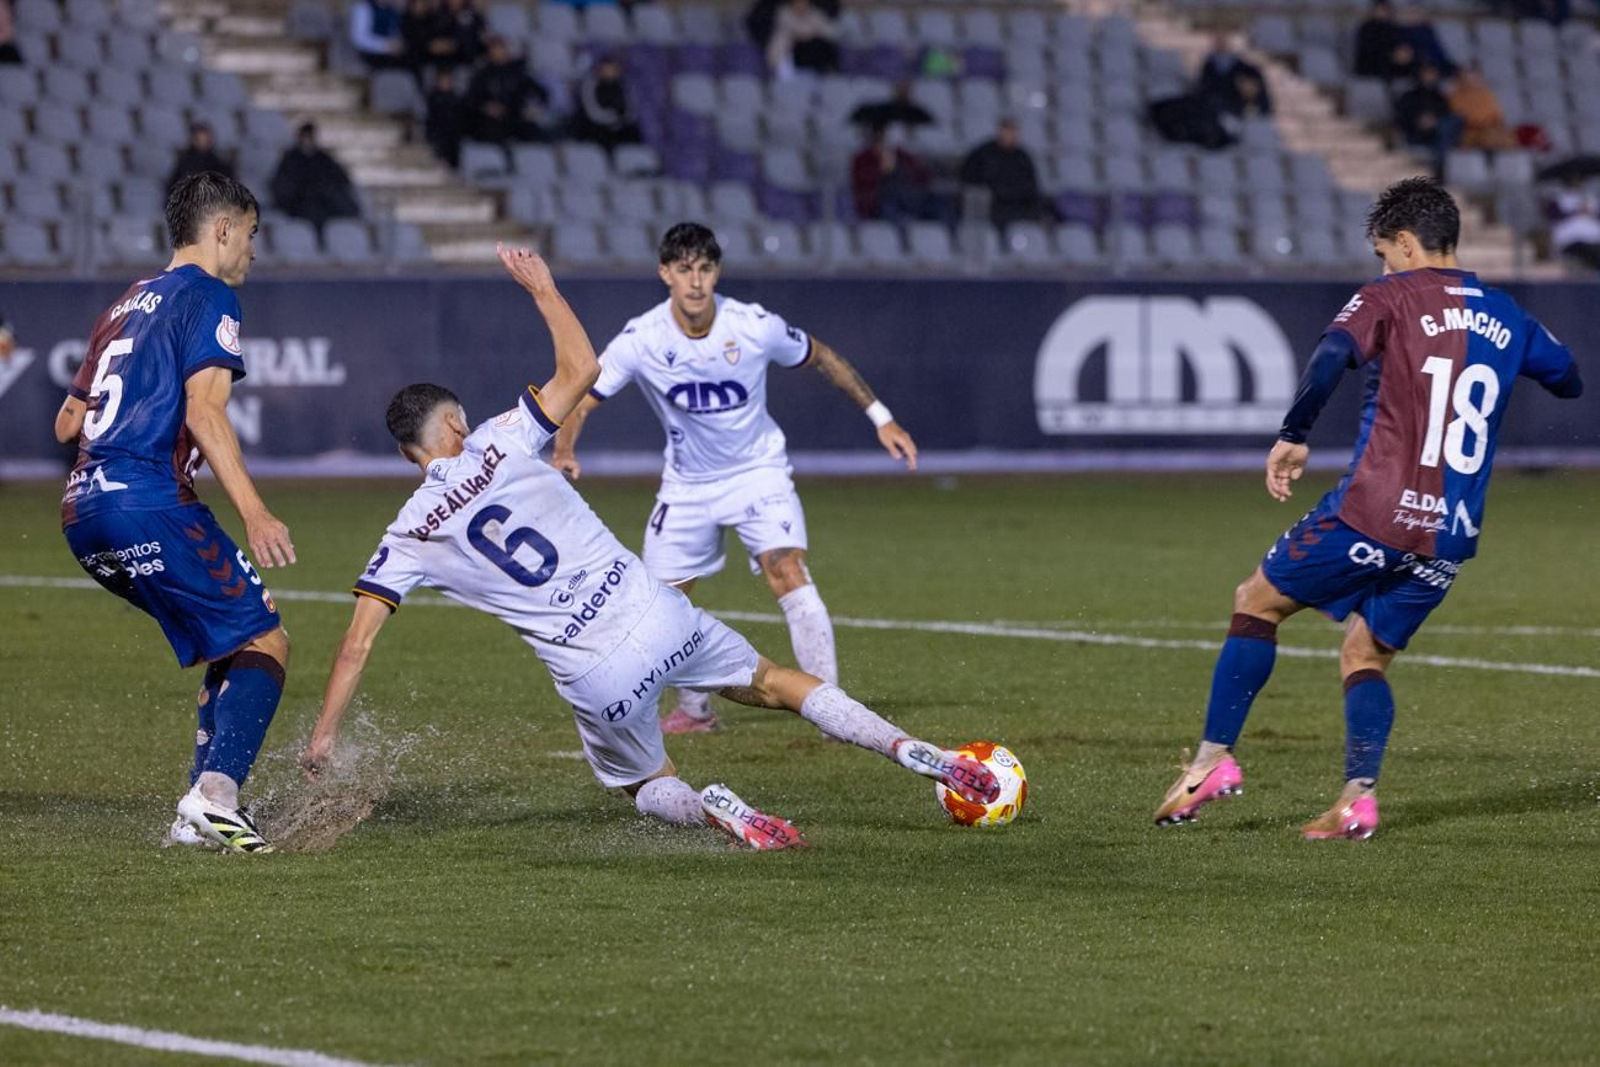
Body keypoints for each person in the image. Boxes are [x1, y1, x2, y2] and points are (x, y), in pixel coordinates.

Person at [298, 245, 996, 849]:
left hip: (594, 673)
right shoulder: (501, 437)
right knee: (775, 682)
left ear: (405, 453)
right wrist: (543, 288)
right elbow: (578, 368)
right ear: (455, 421)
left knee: (643, 781)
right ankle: (911, 749)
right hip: (657, 611)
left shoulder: (407, 533)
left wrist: (325, 736)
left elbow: (356, 644)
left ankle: (710, 807)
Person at [1153, 177, 1584, 841]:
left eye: (1386, 253)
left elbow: (1331, 354)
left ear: (1407, 245)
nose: (1382, 266)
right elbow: (1569, 376)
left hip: (1373, 512)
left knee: (1257, 601)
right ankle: (1357, 797)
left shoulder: (1389, 297)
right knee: (1364, 654)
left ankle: (1211, 761)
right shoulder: (1508, 313)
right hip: (1451, 533)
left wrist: (1294, 433)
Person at [551, 223, 918, 735]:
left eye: (705, 269)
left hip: (758, 473)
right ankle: (696, 712)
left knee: (786, 570)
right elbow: (583, 396)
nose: (696, 282)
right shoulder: (643, 339)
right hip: (687, 487)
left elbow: (822, 356)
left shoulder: (753, 325)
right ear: (665, 274)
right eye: (684, 270)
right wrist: (563, 450)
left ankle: (832, 709)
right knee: (663, 603)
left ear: (716, 272)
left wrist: (882, 418)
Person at [52, 173, 297, 854]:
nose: (253, 249)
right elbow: (204, 410)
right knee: (265, 638)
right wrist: (255, 511)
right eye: (250, 233)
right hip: (148, 502)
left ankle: (197, 816)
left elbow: (67, 422)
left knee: (230, 636)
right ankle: (217, 795)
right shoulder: (209, 295)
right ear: (221, 229)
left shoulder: (123, 304)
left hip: (82, 513)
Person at [269, 122, 361, 238]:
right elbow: (281, 184)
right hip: (299, 202)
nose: (308, 140)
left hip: (324, 200)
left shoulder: (322, 158)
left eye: (310, 137)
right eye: (305, 136)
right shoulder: (291, 158)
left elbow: (341, 178)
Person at [850, 124, 951, 226]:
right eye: (878, 136)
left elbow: (921, 173)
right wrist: (881, 170)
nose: (881, 140)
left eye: (884, 136)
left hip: (909, 198)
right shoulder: (862, 158)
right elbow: (860, 181)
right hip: (879, 203)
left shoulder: (899, 154)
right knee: (891, 209)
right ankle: (904, 237)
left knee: (939, 202)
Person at [960, 118, 1050, 231]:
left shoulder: (1022, 157)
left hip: (1017, 203)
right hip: (992, 203)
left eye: (1012, 132)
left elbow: (1031, 184)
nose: (1009, 135)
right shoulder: (983, 153)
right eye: (1006, 131)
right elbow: (969, 176)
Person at [464, 36, 553, 145]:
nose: (499, 53)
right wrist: (486, 107)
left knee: (538, 134)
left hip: (517, 118)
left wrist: (534, 108)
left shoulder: (517, 72)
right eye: (495, 49)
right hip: (492, 121)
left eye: (501, 49)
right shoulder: (483, 74)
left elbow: (541, 92)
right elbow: (471, 99)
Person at [1393, 66, 1460, 180]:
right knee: (1443, 133)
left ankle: (1438, 168)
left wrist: (1435, 122)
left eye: (1432, 74)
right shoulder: (1408, 97)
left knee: (1453, 122)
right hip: (1415, 134)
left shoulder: (1440, 97)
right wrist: (1418, 123)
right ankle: (1438, 170)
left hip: (1437, 134)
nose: (1429, 77)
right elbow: (1399, 119)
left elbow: (1446, 115)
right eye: (1426, 73)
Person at [571, 54, 642, 153]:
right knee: (600, 136)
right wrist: (612, 118)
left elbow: (631, 109)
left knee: (634, 134)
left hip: (618, 124)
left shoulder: (622, 84)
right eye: (606, 69)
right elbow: (592, 111)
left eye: (612, 69)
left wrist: (621, 119)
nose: (609, 72)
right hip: (596, 125)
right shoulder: (590, 84)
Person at [1197, 34, 1272, 117]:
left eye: (1224, 41)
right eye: (1219, 42)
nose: (1222, 45)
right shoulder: (1208, 66)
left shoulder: (1241, 66)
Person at [766, 0, 839, 78]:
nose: (801, 4)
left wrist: (816, 31)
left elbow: (832, 33)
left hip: (813, 60)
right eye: (798, 2)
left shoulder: (814, 14)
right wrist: (808, 32)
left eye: (804, 2)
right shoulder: (784, 15)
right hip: (789, 59)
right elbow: (797, 32)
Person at [1448, 66, 1516, 150]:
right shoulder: (1455, 97)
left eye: (1473, 79)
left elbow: (1498, 115)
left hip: (1490, 128)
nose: (1470, 82)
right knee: (1489, 137)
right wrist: (1480, 125)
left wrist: (1494, 125)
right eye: (1466, 79)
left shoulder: (1487, 94)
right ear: (1461, 80)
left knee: (1507, 137)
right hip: (1469, 132)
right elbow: (1458, 118)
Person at [165, 124, 235, 198]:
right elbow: (172, 187)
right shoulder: (185, 162)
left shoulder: (218, 163)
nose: (202, 142)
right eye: (199, 139)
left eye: (205, 139)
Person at [1548, 176, 1600, 271]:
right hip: (1571, 239)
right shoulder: (1558, 199)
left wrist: (1588, 211)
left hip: (1594, 238)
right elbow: (1554, 216)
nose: (1575, 183)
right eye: (1572, 180)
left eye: (1578, 180)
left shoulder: (1589, 198)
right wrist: (1576, 211)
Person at [848, 81, 935, 132]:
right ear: (893, 88)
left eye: (906, 85)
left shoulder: (919, 112)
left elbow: (930, 131)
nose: (902, 89)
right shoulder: (876, 109)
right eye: (899, 85)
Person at [349, 0, 409, 72]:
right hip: (370, 52)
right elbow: (359, 39)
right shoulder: (363, 8)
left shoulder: (393, 8)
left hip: (392, 50)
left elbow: (395, 30)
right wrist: (385, 46)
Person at [423, 66, 465, 167]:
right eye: (442, 81)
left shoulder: (456, 99)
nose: (444, 83)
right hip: (436, 136)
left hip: (453, 138)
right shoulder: (432, 98)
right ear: (437, 82)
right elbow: (429, 119)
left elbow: (460, 120)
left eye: (447, 81)